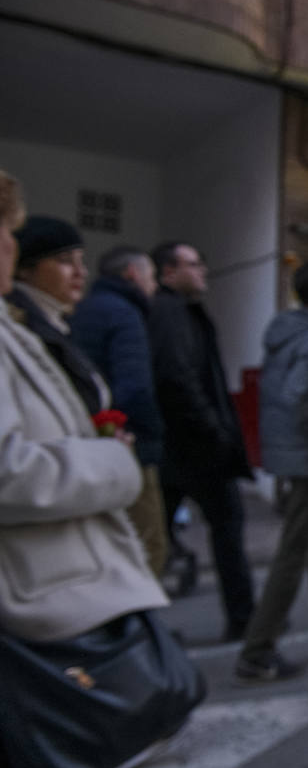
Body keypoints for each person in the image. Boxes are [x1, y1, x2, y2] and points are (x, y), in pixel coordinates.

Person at [0, 172, 168, 768]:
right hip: (36, 592)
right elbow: (12, 466)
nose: (10, 248)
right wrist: (113, 465)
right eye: (10, 234)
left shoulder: (29, 327)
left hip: (46, 575)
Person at [234, 260, 308, 684]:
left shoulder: (283, 335)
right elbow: (302, 395)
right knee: (293, 554)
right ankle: (257, 650)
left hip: (295, 456)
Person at [148, 240, 256, 641]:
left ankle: (147, 629)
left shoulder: (180, 312)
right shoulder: (169, 313)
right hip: (192, 448)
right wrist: (214, 430)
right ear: (168, 273)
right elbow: (177, 377)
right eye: (193, 265)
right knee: (223, 529)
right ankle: (244, 620)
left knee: (159, 538)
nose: (202, 272)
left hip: (183, 447)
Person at [70, 245, 169, 579]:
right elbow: (135, 386)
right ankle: (140, 629)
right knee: (148, 544)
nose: (154, 286)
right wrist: (145, 432)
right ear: (133, 275)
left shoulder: (82, 310)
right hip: (126, 444)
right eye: (152, 276)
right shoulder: (125, 314)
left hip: (89, 440)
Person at [5, 216, 109, 416]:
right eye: (65, 261)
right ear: (25, 269)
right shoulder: (22, 323)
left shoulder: (55, 322)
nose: (81, 272)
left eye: (81, 260)